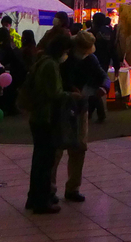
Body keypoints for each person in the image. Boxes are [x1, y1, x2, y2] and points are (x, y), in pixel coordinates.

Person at [56, 31, 107, 202]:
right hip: (64, 105)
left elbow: (103, 76)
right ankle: (51, 188)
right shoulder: (63, 59)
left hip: (80, 106)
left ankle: (73, 187)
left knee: (79, 147)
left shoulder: (90, 59)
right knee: (57, 148)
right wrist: (70, 89)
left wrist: (103, 87)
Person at [24, 34, 69, 214]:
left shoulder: (41, 61)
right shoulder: (51, 65)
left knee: (38, 160)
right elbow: (55, 92)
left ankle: (34, 197)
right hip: (46, 116)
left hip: (37, 115)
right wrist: (70, 96)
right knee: (46, 160)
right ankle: (42, 201)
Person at [90, 14, 119, 122]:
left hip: (93, 62)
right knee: (96, 87)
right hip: (104, 62)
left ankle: (97, 113)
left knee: (94, 87)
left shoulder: (92, 33)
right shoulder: (109, 33)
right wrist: (116, 65)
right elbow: (113, 50)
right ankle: (94, 112)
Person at [0, 24, 26, 116]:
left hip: (11, 71)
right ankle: (11, 108)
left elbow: (3, 59)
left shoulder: (4, 47)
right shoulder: (12, 45)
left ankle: (8, 108)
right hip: (18, 70)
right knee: (12, 91)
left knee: (8, 91)